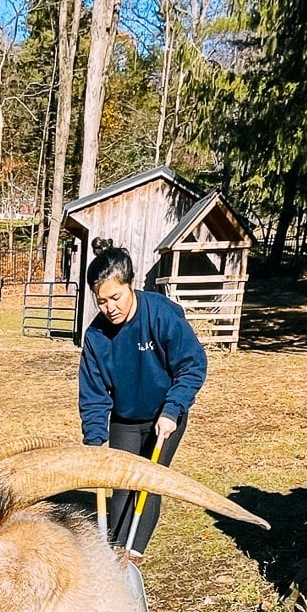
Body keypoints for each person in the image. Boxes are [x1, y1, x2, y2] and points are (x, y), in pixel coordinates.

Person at [78, 240, 208, 560]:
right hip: (125, 417)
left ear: (130, 285)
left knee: (148, 484)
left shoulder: (161, 315)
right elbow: (93, 392)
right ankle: (115, 551)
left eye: (116, 297)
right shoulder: (96, 337)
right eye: (102, 301)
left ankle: (133, 555)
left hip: (164, 416)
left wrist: (173, 409)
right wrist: (95, 438)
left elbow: (191, 366)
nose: (110, 308)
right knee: (122, 485)